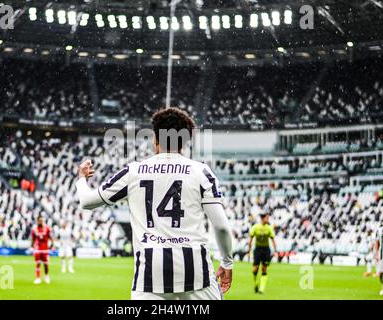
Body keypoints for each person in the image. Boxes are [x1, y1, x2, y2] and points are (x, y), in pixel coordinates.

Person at [76, 107, 234, 300]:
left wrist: (81, 178)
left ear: (155, 139)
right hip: (196, 273)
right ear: (184, 143)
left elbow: (86, 201)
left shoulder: (133, 172)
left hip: (149, 277)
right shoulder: (202, 172)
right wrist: (227, 263)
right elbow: (222, 227)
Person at [247, 212, 277, 294]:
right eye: (267, 218)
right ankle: (256, 284)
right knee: (255, 269)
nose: (268, 219)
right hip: (257, 249)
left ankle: (261, 289)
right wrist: (249, 251)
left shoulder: (269, 228)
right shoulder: (255, 227)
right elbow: (250, 240)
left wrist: (275, 251)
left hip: (266, 250)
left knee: (264, 269)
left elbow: (273, 240)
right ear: (263, 218)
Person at [31, 216, 54, 284]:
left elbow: (50, 237)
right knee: (37, 263)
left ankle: (46, 276)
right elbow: (33, 239)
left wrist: (52, 245)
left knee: (46, 264)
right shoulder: (34, 229)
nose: (40, 222)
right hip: (37, 249)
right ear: (37, 221)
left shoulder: (47, 228)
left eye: (42, 220)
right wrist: (32, 247)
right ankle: (38, 278)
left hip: (45, 249)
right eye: (39, 220)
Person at [374, 225, 383, 295]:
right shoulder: (379, 230)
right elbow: (377, 242)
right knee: (381, 273)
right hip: (381, 255)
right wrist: (376, 253)